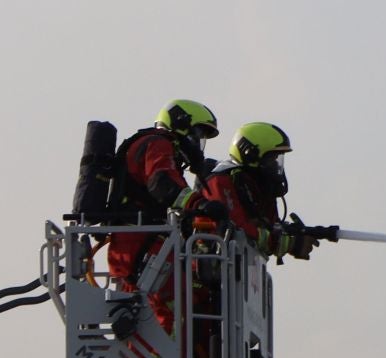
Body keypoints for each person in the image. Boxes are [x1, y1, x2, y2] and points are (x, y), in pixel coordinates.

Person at [106, 99, 218, 294]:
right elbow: (161, 183)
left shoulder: (163, 147)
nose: (198, 145)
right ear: (182, 125)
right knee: (170, 305)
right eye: (197, 135)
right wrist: (198, 204)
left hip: (143, 243)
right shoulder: (159, 143)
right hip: (138, 243)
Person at [189, 122, 327, 262]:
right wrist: (288, 244)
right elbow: (236, 229)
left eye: (278, 159)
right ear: (250, 154)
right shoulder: (221, 181)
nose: (276, 166)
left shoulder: (257, 186)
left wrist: (300, 232)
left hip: (237, 271)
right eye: (271, 159)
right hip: (206, 269)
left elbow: (268, 226)